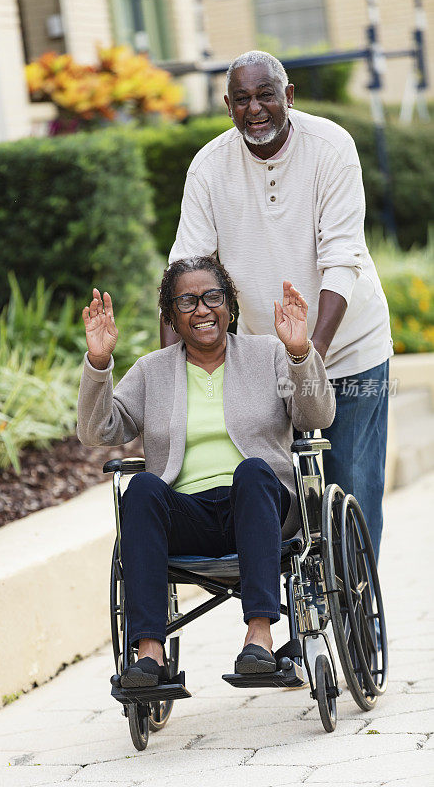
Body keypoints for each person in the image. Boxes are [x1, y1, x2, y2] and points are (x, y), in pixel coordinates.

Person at [163, 51, 393, 562]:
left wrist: (308, 360)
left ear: (288, 96)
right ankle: (299, 617)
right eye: (241, 99)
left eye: (266, 94)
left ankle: (361, 622)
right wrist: (170, 381)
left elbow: (341, 260)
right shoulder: (208, 168)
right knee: (278, 502)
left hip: (350, 349)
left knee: (351, 492)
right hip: (265, 361)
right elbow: (185, 273)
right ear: (227, 106)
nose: (255, 108)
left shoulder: (331, 147)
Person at [77, 256, 335, 686]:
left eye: (212, 296)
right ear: (170, 317)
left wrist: (297, 351)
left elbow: (318, 413)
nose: (202, 309)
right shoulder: (150, 371)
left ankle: (259, 636)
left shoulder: (267, 354)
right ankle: (150, 653)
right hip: (188, 516)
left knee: (251, 472)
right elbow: (95, 430)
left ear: (230, 306)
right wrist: (99, 363)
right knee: (139, 488)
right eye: (187, 301)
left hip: (261, 507)